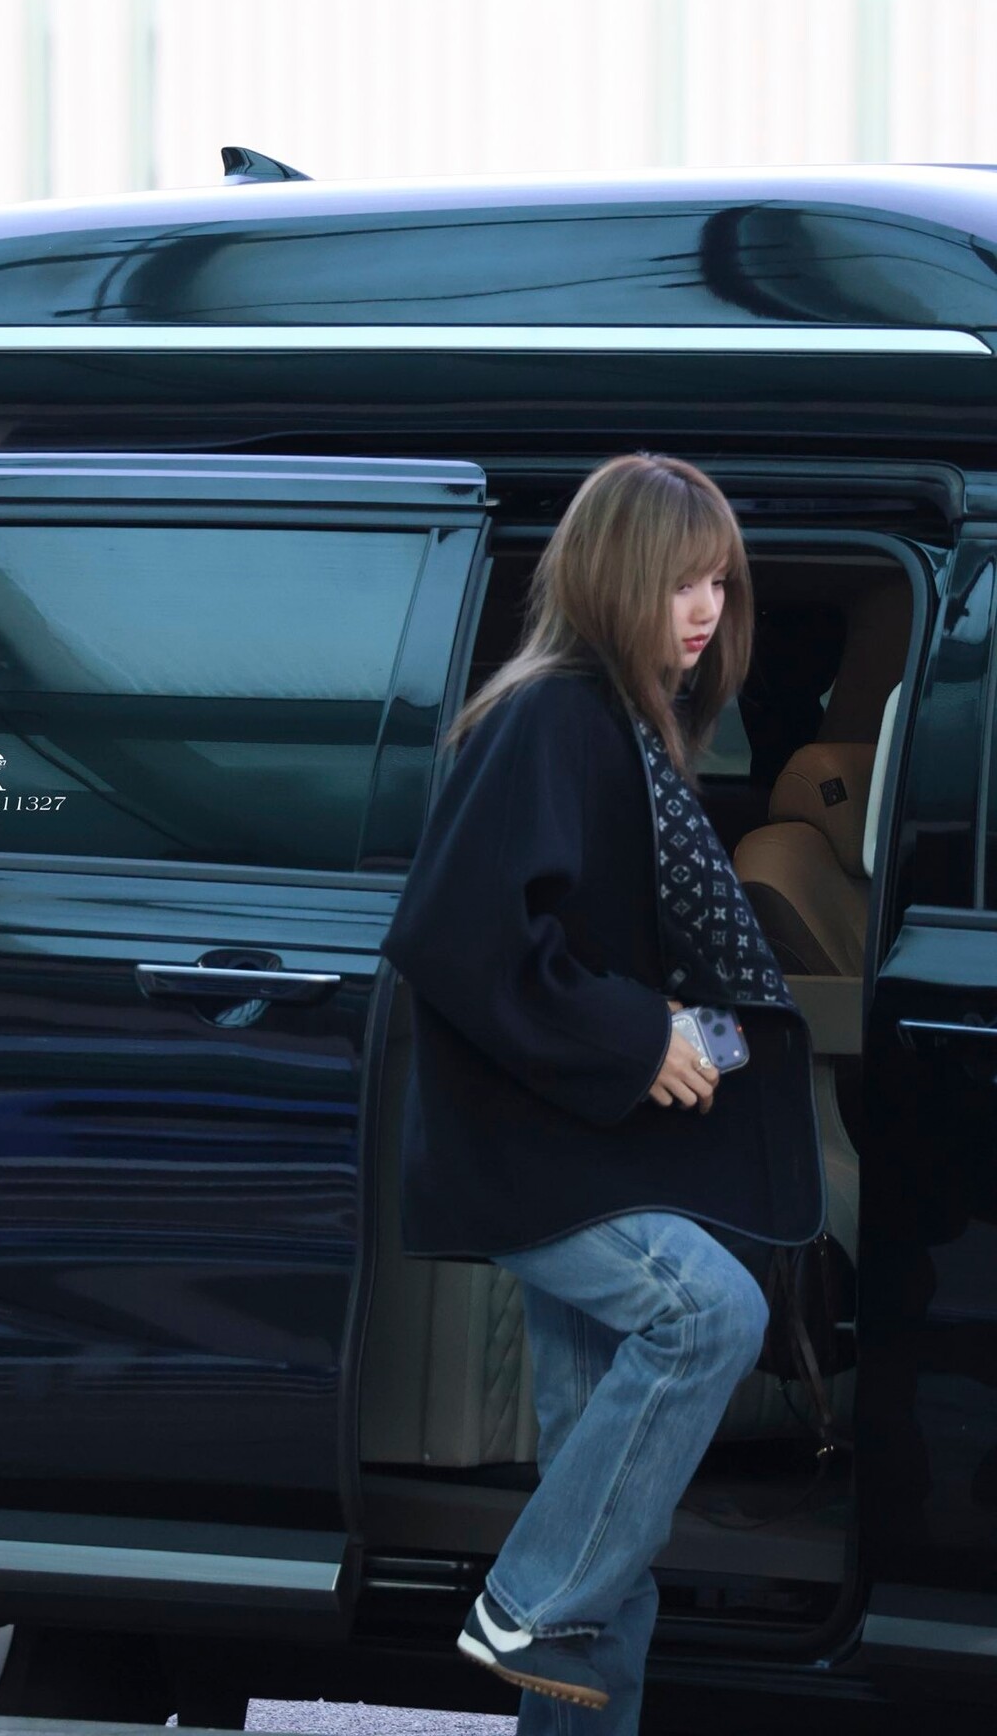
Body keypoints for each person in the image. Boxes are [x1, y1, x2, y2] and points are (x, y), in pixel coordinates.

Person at [379, 452, 826, 1733]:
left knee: (609, 1509)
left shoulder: (626, 726)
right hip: (538, 1157)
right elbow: (456, 936)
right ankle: (526, 1593)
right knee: (708, 1316)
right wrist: (637, 1037)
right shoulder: (554, 715)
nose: (704, 609)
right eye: (679, 581)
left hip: (590, 1145)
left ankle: (554, 1613)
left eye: (718, 583)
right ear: (612, 578)